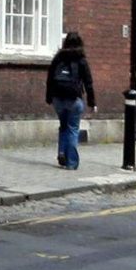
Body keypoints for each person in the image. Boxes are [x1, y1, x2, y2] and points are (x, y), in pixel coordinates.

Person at [45, 31, 96, 169]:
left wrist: (49, 97)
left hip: (57, 98)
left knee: (63, 125)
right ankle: (71, 162)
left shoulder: (58, 58)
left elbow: (49, 79)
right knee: (73, 128)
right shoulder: (81, 59)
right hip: (73, 99)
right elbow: (88, 83)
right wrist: (92, 103)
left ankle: (62, 152)